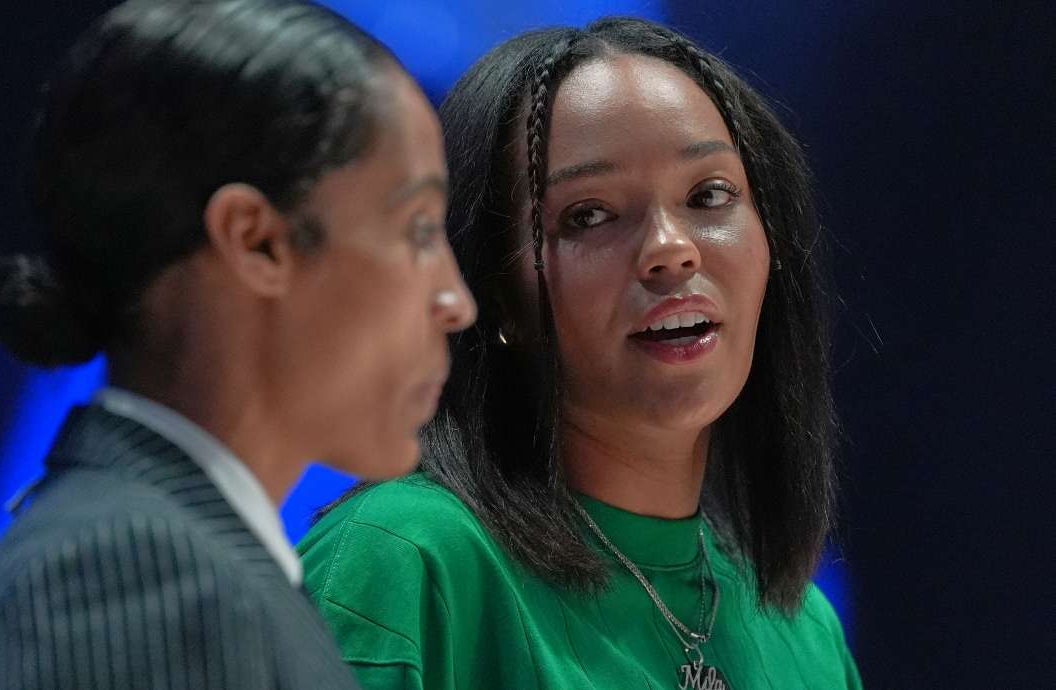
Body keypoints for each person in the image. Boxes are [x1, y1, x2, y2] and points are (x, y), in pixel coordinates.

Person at [300, 16, 861, 690]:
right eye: (588, 215)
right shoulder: (403, 562)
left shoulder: (804, 630)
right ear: (497, 295)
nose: (670, 248)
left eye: (708, 195)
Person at [0, 1, 474, 688]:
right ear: (256, 240)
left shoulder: (174, 564)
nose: (456, 302)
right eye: (419, 229)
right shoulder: (135, 577)